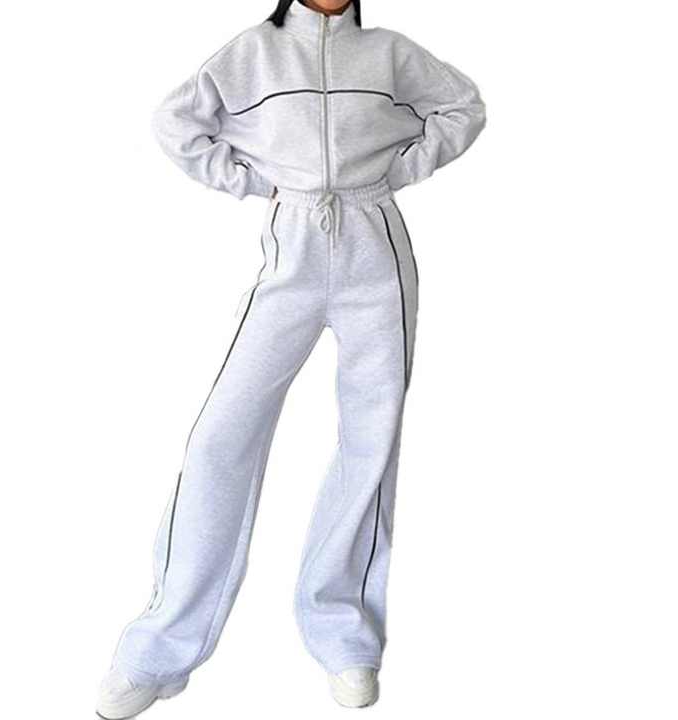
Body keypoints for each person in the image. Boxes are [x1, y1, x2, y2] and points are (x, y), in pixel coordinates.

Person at [96, 0, 485, 715]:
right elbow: (175, 121)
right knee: (221, 436)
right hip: (294, 240)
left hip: (376, 244)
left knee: (371, 438)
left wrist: (402, 169)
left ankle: (346, 638)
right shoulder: (254, 51)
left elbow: (464, 107)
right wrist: (254, 181)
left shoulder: (391, 52)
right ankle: (158, 650)